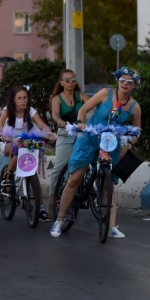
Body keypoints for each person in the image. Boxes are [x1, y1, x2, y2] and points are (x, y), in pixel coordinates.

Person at [51, 67, 142, 240]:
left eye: (129, 82)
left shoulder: (135, 107)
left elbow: (137, 131)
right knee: (75, 179)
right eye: (122, 80)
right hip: (90, 139)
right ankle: (60, 220)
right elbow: (83, 110)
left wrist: (128, 145)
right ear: (118, 80)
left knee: (109, 187)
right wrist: (80, 123)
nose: (125, 84)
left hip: (110, 143)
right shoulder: (105, 93)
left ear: (135, 85)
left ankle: (112, 227)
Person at [0, 86, 56, 220]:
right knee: (18, 150)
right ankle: (8, 177)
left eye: (25, 98)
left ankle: (40, 209)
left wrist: (50, 133)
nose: (23, 101)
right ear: (13, 100)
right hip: (8, 141)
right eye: (19, 98)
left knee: (33, 174)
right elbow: (0, 123)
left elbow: (41, 124)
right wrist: (1, 134)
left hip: (26, 141)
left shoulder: (30, 111)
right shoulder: (8, 110)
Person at [47, 69, 89, 215]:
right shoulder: (57, 99)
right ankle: (52, 199)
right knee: (59, 167)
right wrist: (59, 122)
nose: (70, 83)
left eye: (73, 80)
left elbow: (93, 105)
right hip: (65, 134)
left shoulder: (80, 96)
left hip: (81, 133)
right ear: (61, 83)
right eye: (67, 80)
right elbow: (55, 115)